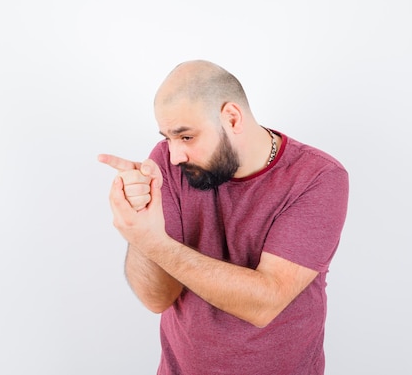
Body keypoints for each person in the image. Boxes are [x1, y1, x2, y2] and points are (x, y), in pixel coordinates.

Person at [98, 60, 348, 375]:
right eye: (167, 138)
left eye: (186, 137)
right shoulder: (168, 161)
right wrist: (140, 225)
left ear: (231, 118)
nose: (175, 155)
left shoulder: (317, 177)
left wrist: (152, 241)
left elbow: (264, 302)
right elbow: (157, 299)